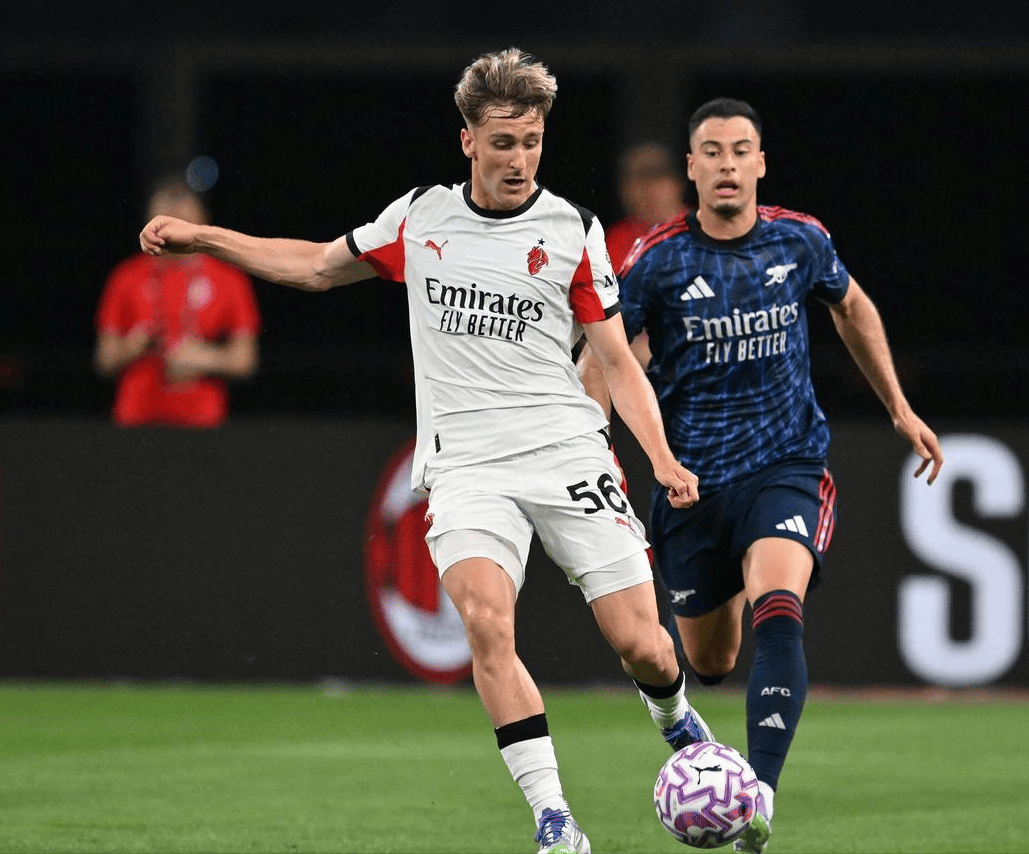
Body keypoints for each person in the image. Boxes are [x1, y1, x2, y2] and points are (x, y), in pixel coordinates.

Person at [139, 48, 713, 854]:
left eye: (532, 142)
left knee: (642, 645)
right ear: (468, 141)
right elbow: (315, 267)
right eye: (503, 143)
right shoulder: (422, 218)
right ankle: (555, 821)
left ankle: (676, 718)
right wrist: (206, 238)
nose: (519, 159)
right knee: (485, 623)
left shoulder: (572, 230)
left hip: (566, 451)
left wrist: (661, 457)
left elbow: (617, 360)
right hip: (467, 466)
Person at [577, 98, 945, 854]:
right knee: (710, 662)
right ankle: (741, 571)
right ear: (691, 168)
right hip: (692, 486)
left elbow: (852, 308)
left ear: (761, 164)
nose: (727, 165)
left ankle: (760, 799)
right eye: (712, 152)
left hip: (786, 465)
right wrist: (592, 453)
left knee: (780, 601)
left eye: (740, 151)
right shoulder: (656, 260)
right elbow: (602, 361)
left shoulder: (799, 239)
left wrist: (900, 409)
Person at [95, 177, 260, 427]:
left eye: (182, 224)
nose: (173, 234)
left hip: (202, 420)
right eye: (163, 224)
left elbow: (245, 360)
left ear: (202, 222)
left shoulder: (229, 278)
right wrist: (131, 347)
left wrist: (204, 358)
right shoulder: (126, 276)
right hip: (136, 417)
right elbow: (103, 361)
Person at [604, 141, 688, 272]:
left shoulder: (710, 231)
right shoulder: (612, 244)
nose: (647, 187)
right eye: (637, 177)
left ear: (678, 181)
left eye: (656, 174)